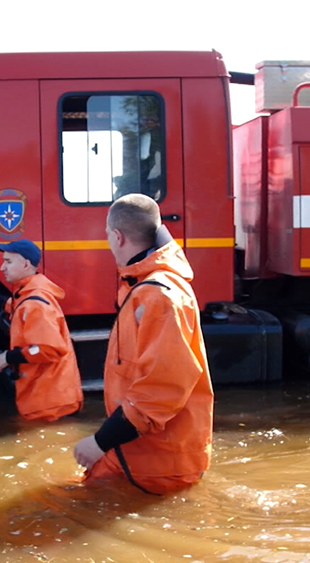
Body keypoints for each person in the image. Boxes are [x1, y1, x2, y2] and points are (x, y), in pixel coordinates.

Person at [72, 194, 214, 495]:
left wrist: (100, 442)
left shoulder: (158, 296)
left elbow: (163, 388)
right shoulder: (141, 287)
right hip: (138, 449)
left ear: (118, 236)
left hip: (160, 465)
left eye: (107, 236)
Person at [0, 239, 83, 422]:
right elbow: (16, 307)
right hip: (49, 398)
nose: (3, 267)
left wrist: (7, 357)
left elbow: (47, 349)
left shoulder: (35, 304)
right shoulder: (30, 295)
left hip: (49, 403)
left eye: (8, 261)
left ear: (26, 264)